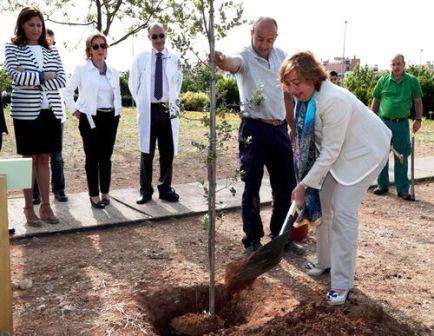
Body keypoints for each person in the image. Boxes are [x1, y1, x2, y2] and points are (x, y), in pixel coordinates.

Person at [280, 51, 391, 305]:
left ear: (311, 77)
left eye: (297, 83)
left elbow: (330, 150)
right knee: (324, 203)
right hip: (339, 153)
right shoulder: (306, 99)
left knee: (342, 212)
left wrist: (303, 184)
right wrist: (307, 184)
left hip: (364, 153)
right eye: (289, 84)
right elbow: (318, 145)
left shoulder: (333, 100)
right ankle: (325, 261)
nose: (293, 89)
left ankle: (342, 284)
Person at [214, 17, 303, 256]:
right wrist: (221, 61)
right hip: (253, 129)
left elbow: (287, 95)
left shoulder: (281, 56)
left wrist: (292, 127)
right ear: (252, 32)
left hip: (279, 129)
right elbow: (232, 64)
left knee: (286, 186)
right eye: (260, 38)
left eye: (269, 40)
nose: (264, 44)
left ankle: (281, 237)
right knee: (251, 185)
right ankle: (252, 240)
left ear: (276, 37)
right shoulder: (244, 56)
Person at [5, 6, 66, 226]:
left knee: (44, 159)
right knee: (29, 160)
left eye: (39, 25)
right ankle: (28, 208)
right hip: (25, 113)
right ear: (22, 25)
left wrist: (32, 75)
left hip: (51, 111)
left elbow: (61, 80)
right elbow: (15, 76)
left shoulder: (52, 50)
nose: (36, 29)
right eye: (31, 24)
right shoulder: (12, 48)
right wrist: (43, 75)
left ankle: (46, 207)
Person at [63, 33, 122, 209]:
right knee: (92, 158)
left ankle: (105, 192)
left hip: (110, 118)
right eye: (95, 46)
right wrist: (75, 111)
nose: (100, 50)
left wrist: (118, 113)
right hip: (89, 118)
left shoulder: (114, 71)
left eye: (103, 46)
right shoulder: (82, 70)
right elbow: (66, 92)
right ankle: (94, 195)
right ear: (89, 50)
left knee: (106, 158)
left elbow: (116, 95)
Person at [129, 23, 183, 204]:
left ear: (166, 35)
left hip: (169, 109)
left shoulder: (175, 58)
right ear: (149, 38)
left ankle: (165, 188)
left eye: (161, 35)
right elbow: (133, 85)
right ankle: (145, 190)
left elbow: (178, 84)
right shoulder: (141, 58)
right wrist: (143, 105)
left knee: (168, 151)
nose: (158, 40)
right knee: (147, 151)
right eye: (154, 37)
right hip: (149, 110)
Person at [371, 54, 423, 200]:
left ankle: (402, 189)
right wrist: (371, 119)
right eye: (393, 64)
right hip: (383, 123)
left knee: (401, 156)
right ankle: (382, 185)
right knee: (382, 155)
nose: (396, 67)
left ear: (404, 64)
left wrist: (418, 119)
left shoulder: (412, 81)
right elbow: (376, 100)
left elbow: (418, 101)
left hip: (401, 124)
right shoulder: (383, 80)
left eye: (399, 64)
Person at [32, 28, 68, 204]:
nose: (49, 44)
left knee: (57, 156)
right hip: (35, 114)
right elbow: (27, 81)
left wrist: (38, 79)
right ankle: (35, 193)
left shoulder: (56, 56)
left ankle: (59, 189)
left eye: (51, 41)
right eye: (46, 40)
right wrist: (45, 77)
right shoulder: (35, 57)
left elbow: (62, 80)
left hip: (56, 115)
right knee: (37, 156)